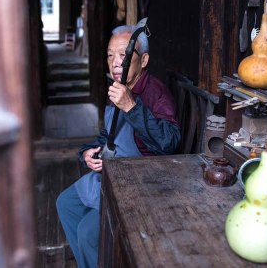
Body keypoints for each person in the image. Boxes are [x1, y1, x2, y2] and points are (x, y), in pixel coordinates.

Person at [56, 20, 181, 267]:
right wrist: (87, 153)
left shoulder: (155, 93)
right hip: (111, 172)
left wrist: (131, 107)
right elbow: (107, 136)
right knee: (66, 203)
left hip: (139, 180)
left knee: (88, 235)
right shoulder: (118, 87)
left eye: (123, 55)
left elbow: (169, 143)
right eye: (110, 55)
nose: (115, 62)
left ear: (143, 61)